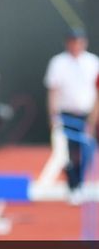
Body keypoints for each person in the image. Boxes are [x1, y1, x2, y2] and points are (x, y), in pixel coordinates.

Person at [44, 30, 99, 204]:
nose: (75, 45)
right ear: (67, 42)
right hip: (65, 115)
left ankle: (80, 183)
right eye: (72, 41)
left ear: (85, 43)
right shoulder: (58, 62)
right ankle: (73, 185)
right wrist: (53, 117)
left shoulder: (93, 62)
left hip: (86, 114)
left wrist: (93, 118)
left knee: (87, 151)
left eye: (79, 41)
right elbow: (53, 91)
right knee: (66, 153)